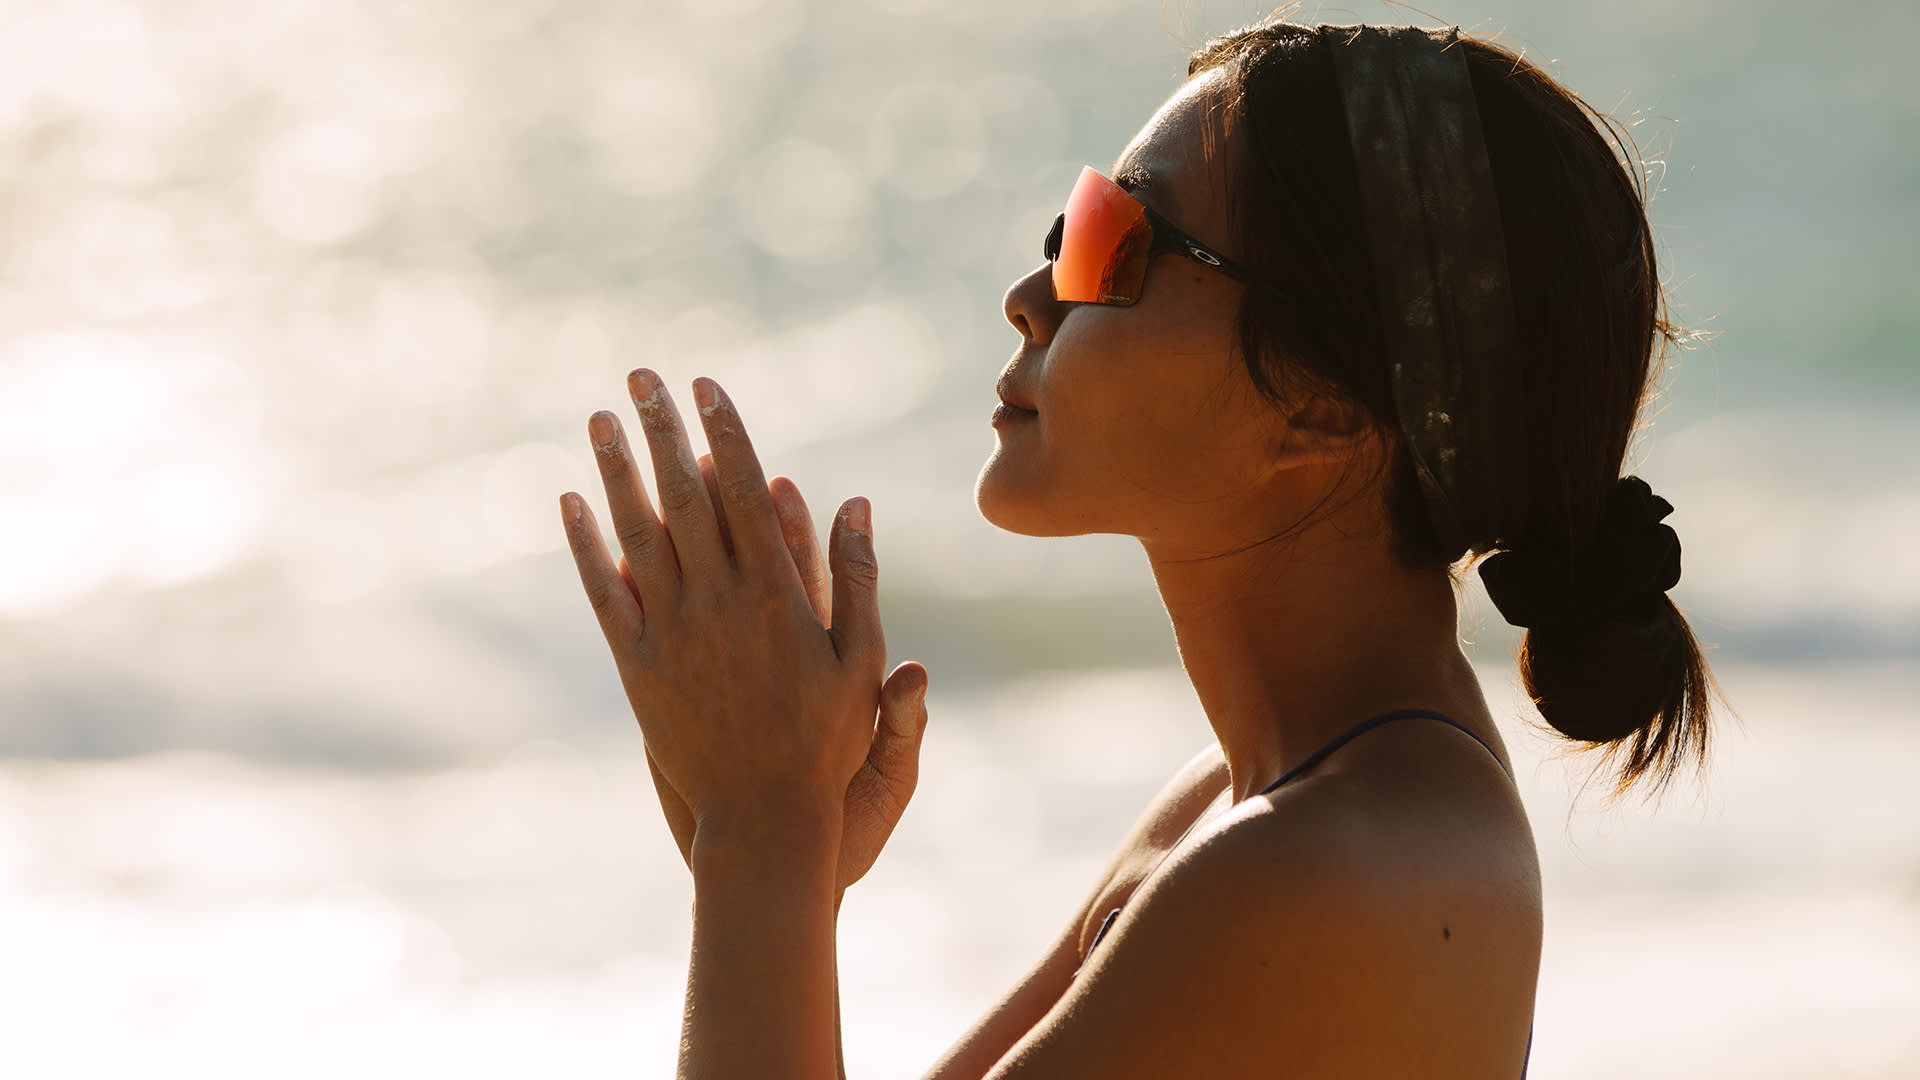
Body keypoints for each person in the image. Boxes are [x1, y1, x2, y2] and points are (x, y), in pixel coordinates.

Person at [557, 18, 1717, 1079]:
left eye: (1114, 247)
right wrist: (770, 855)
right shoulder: (1254, 797)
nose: (1029, 294)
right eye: (1069, 227)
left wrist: (763, 840)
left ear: (1320, 406)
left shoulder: (1330, 870)